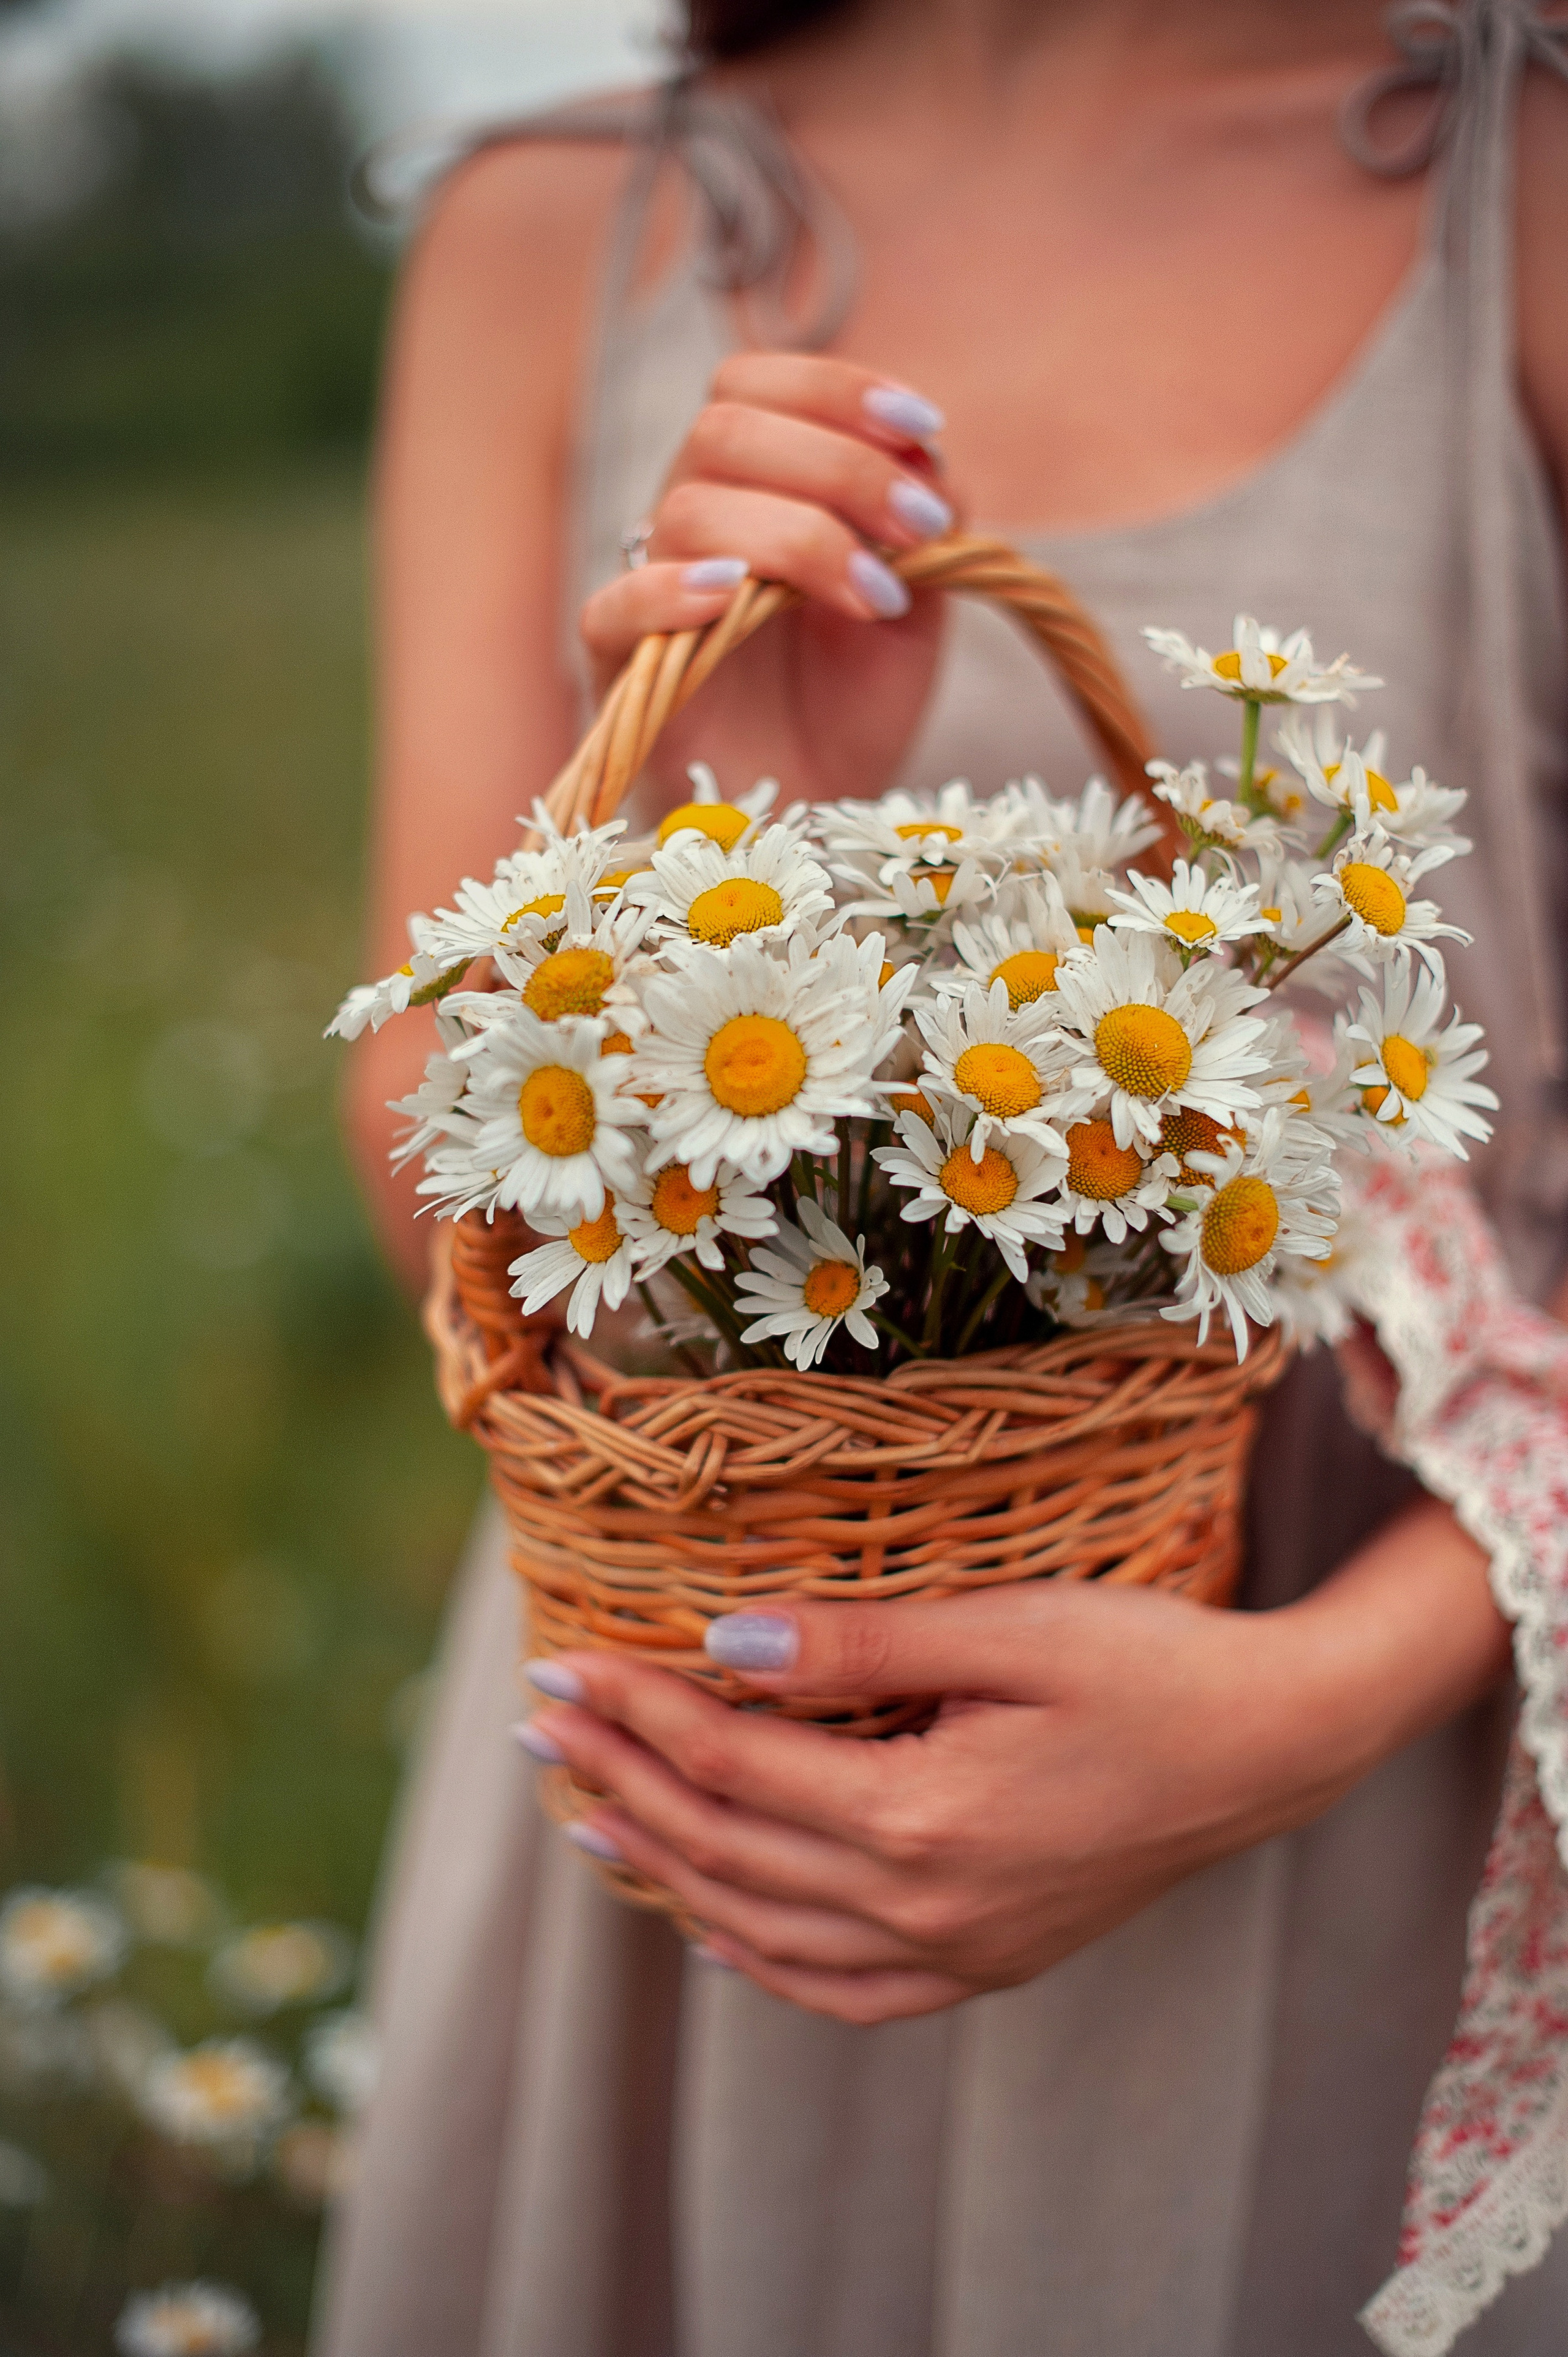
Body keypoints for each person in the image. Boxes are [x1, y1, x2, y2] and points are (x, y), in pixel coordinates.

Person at [319, 4, 1568, 2352]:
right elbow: (445, 1193)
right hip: (697, 1776)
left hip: (1385, 1803)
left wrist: (1324, 1692)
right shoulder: (555, 230)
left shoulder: (1523, 200)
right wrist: (718, 857)